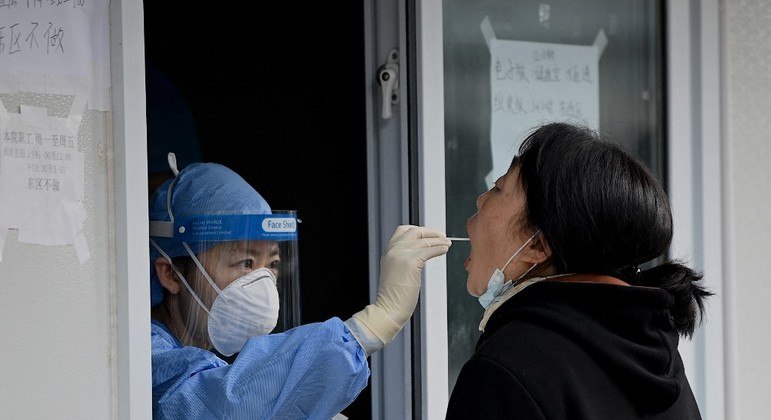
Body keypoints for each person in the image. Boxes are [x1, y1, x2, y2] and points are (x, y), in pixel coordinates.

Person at [148, 155, 450, 419]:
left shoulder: (209, 355)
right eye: (246, 263)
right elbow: (217, 404)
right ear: (172, 275)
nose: (263, 282)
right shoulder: (147, 357)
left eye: (273, 264)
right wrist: (373, 324)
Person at [445, 123, 710, 419]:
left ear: (538, 245)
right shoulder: (657, 360)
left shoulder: (509, 367)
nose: (480, 200)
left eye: (498, 188)